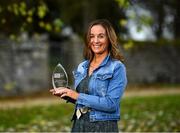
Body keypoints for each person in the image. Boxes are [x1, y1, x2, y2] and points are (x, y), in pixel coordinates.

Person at [50, 19, 127, 132]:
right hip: (79, 125)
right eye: (92, 36)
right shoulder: (82, 66)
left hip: (103, 127)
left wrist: (76, 95)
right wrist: (67, 94)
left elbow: (111, 104)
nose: (95, 41)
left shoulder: (117, 67)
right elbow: (84, 99)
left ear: (109, 39)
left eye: (101, 36)